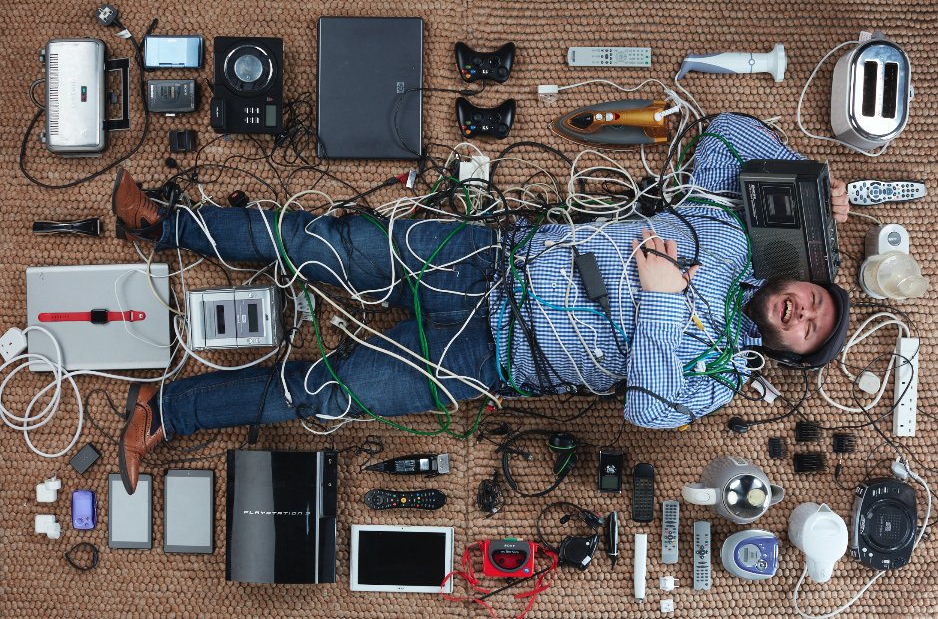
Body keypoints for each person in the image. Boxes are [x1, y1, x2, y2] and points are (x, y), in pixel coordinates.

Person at [112, 113, 851, 493]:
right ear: (802, 277)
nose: (804, 314)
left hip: (491, 358)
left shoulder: (720, 378)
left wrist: (660, 302)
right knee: (325, 243)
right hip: (489, 257)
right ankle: (163, 223)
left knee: (330, 392)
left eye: (810, 332)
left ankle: (167, 410)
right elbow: (725, 137)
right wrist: (808, 195)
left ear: (789, 354)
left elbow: (648, 410)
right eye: (815, 300)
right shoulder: (733, 234)